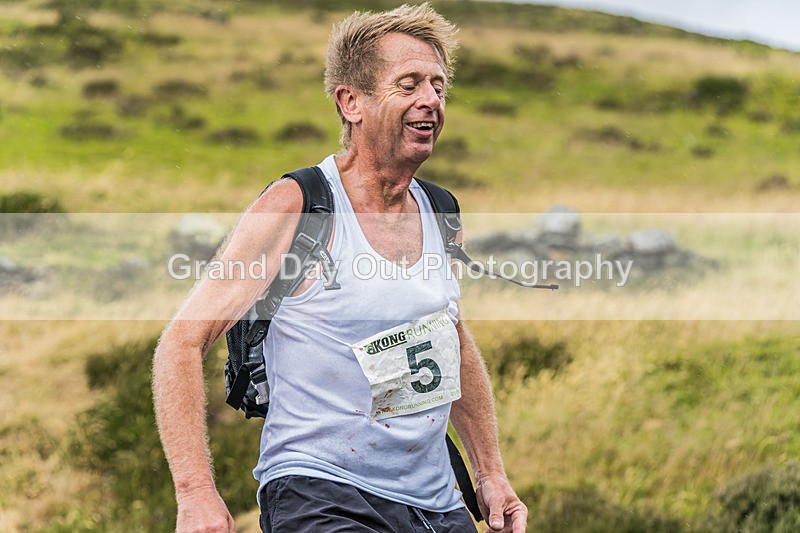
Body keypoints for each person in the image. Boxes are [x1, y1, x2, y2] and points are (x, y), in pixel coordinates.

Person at [152, 3, 528, 532]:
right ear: (351, 102)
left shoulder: (440, 210)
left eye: (439, 87)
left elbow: (452, 344)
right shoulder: (300, 205)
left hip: (435, 503)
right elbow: (181, 343)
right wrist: (195, 494)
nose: (431, 101)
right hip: (318, 492)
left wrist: (490, 473)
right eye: (409, 84)